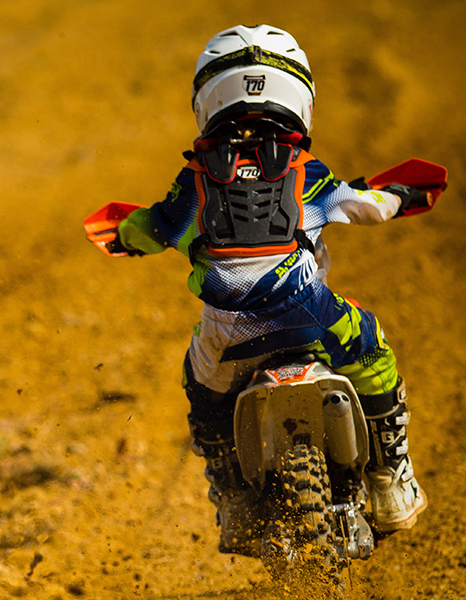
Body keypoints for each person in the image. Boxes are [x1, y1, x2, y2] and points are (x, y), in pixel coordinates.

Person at [109, 24, 428, 556]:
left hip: (227, 333)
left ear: (208, 100)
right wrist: (400, 193)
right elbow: (367, 206)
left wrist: (123, 234)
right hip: (311, 314)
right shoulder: (310, 173)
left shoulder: (193, 184)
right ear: (297, 97)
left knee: (201, 388)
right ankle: (390, 480)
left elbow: (156, 227)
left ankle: (233, 499)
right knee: (373, 351)